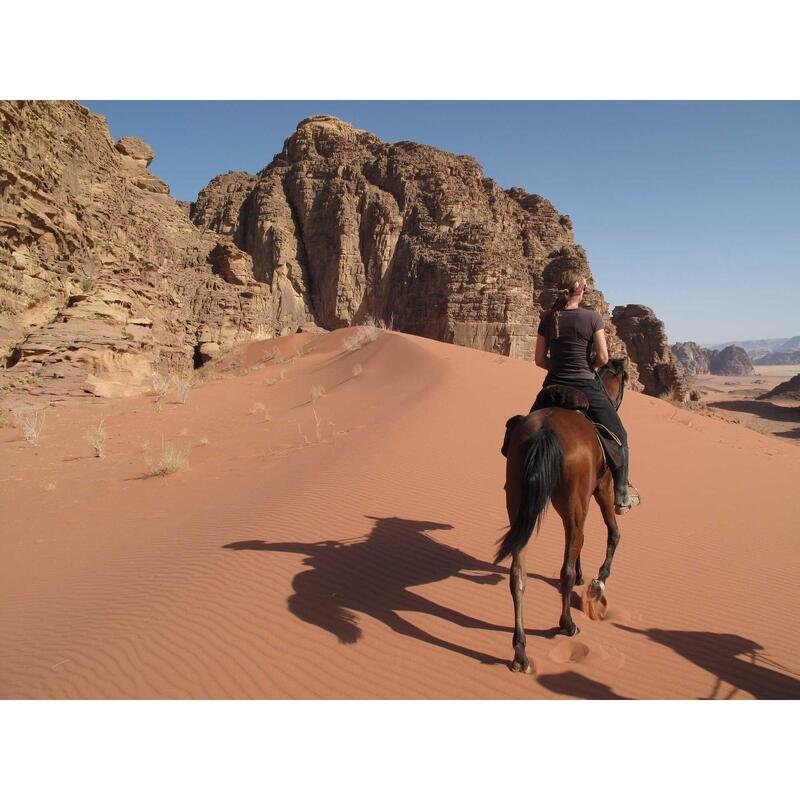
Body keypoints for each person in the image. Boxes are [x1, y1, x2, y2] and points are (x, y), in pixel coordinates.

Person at [531, 270, 640, 514]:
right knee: (620, 434)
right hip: (585, 385)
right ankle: (621, 494)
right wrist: (585, 367)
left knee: (522, 431)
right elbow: (603, 357)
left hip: (552, 385)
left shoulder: (548, 318)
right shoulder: (592, 318)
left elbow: (539, 360)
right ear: (581, 290)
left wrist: (558, 366)